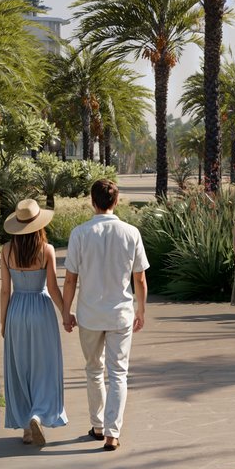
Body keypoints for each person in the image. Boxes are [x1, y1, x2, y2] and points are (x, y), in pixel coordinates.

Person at [61, 178, 150, 450]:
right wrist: (141, 310)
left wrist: (66, 311)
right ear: (116, 200)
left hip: (89, 314)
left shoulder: (79, 233)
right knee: (118, 373)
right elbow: (140, 279)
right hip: (120, 314)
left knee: (94, 370)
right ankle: (113, 432)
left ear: (92, 201)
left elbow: (70, 280)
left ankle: (98, 425)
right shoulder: (131, 232)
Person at [0, 200, 71, 446]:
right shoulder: (47, 250)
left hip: (16, 311)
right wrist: (65, 314)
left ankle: (26, 429)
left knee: (20, 370)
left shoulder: (6, 250)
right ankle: (38, 414)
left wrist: (3, 322)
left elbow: (4, 291)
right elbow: (52, 287)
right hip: (41, 310)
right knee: (44, 368)